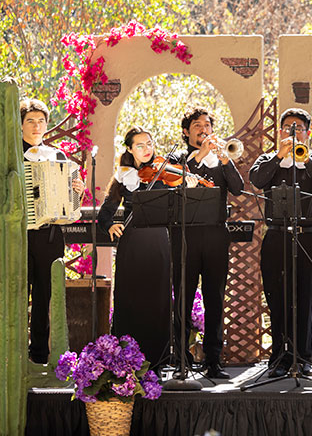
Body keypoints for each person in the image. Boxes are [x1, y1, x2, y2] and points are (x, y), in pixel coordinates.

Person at [250, 108, 312, 378]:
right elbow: (256, 180)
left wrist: (305, 159)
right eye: (287, 127)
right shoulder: (268, 158)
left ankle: (304, 357)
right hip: (276, 236)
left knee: (305, 297)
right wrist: (280, 156)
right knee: (276, 297)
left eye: (298, 128)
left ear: (308, 133)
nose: (292, 132)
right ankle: (279, 357)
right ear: (280, 131)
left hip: (310, 236)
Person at [168, 107, 243, 379]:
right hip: (185, 235)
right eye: (197, 125)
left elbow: (237, 187)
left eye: (207, 124)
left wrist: (225, 160)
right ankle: (181, 359)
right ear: (186, 131)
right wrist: (201, 154)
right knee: (183, 299)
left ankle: (213, 359)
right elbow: (178, 180)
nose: (203, 129)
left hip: (215, 235)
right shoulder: (177, 157)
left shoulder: (220, 160)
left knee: (215, 298)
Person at [95, 127, 171, 373]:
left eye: (149, 143)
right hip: (133, 244)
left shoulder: (164, 173)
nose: (147, 149)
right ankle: (127, 360)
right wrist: (110, 225)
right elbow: (104, 214)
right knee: (131, 301)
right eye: (140, 145)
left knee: (157, 302)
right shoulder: (123, 176)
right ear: (129, 149)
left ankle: (157, 361)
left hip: (159, 242)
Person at [20, 98, 84, 364]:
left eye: (41, 121)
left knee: (45, 295)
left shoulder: (57, 156)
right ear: (20, 124)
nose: (37, 126)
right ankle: (14, 354)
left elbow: (70, 205)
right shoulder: (11, 154)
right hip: (19, 236)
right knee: (17, 293)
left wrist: (77, 193)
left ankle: (39, 356)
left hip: (49, 234)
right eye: (30, 121)